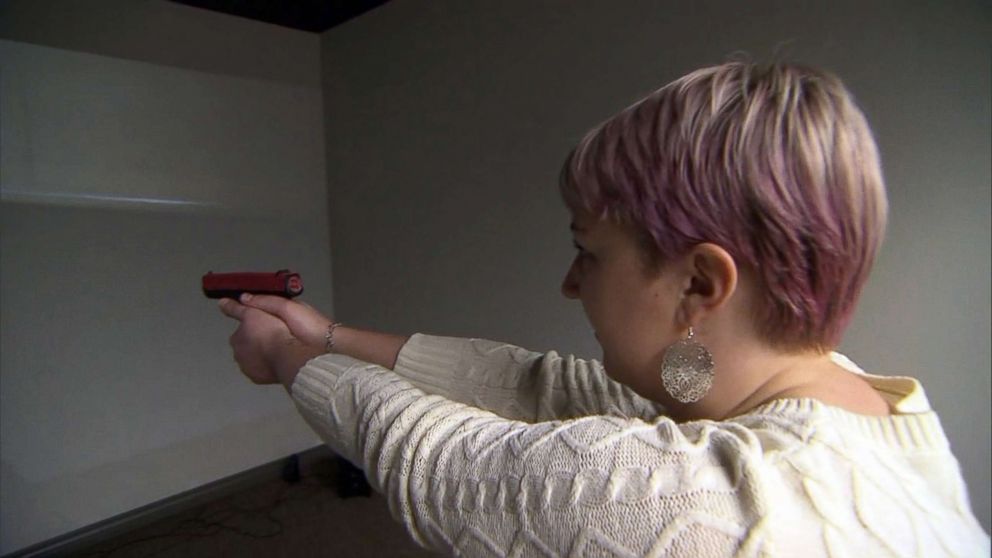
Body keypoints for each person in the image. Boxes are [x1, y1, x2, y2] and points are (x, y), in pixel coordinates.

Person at [218, 62, 990, 556]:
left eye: (589, 251)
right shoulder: (862, 406)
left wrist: (288, 360)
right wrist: (328, 334)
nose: (570, 282)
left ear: (699, 285)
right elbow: (540, 387)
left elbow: (449, 467)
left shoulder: (727, 512)